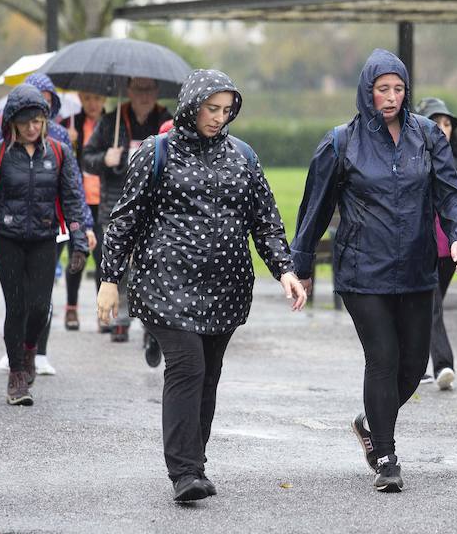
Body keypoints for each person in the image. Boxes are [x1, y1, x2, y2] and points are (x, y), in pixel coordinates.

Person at [97, 69, 306, 503]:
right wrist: (109, 280)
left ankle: (196, 461)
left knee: (208, 375)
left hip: (225, 287)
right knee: (188, 367)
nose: (218, 117)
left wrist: (285, 269)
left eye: (227, 110)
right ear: (192, 104)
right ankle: (184, 471)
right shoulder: (156, 152)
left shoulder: (243, 156)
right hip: (166, 283)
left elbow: (264, 221)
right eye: (212, 108)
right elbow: (124, 221)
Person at [291, 49, 457, 493]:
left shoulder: (428, 135)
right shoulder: (341, 142)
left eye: (398, 89)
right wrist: (300, 266)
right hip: (363, 271)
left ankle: (370, 420)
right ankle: (386, 456)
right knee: (384, 357)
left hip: (416, 267)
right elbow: (314, 209)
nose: (391, 97)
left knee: (413, 365)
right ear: (367, 91)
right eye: (382, 89)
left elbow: (452, 194)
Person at [0, 84, 89, 406]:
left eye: (38, 120)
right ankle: (17, 376)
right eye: (25, 122)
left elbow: (73, 198)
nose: (33, 127)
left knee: (40, 308)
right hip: (7, 238)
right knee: (17, 306)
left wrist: (79, 241)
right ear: (12, 122)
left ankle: (30, 348)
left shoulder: (59, 153)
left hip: (44, 239)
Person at [0, 73, 96, 376]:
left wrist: (84, 227)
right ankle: (18, 354)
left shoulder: (61, 139)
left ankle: (39, 351)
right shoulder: (6, 143)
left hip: (52, 224)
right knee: (18, 297)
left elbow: (73, 186)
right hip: (13, 227)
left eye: (47, 101)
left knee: (42, 295)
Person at [84, 77, 172, 343]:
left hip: (155, 206)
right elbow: (87, 159)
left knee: (151, 266)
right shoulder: (111, 121)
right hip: (116, 204)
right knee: (117, 264)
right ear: (129, 91)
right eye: (139, 89)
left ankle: (150, 322)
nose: (144, 95)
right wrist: (105, 159)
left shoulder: (166, 120)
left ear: (157, 92)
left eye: (149, 90)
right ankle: (120, 317)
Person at [414, 97, 457, 391]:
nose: (443, 128)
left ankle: (416, 362)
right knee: (432, 305)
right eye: (436, 122)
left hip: (450, 245)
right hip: (421, 244)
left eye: (447, 123)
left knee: (430, 306)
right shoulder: (411, 157)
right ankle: (443, 363)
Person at [63, 91, 107, 331]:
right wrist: (70, 141)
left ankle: (103, 310)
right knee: (77, 254)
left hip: (103, 199)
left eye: (97, 99)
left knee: (103, 256)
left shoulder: (112, 123)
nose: (93, 103)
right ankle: (71, 308)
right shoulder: (73, 124)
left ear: (104, 101)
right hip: (79, 199)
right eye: (88, 98)